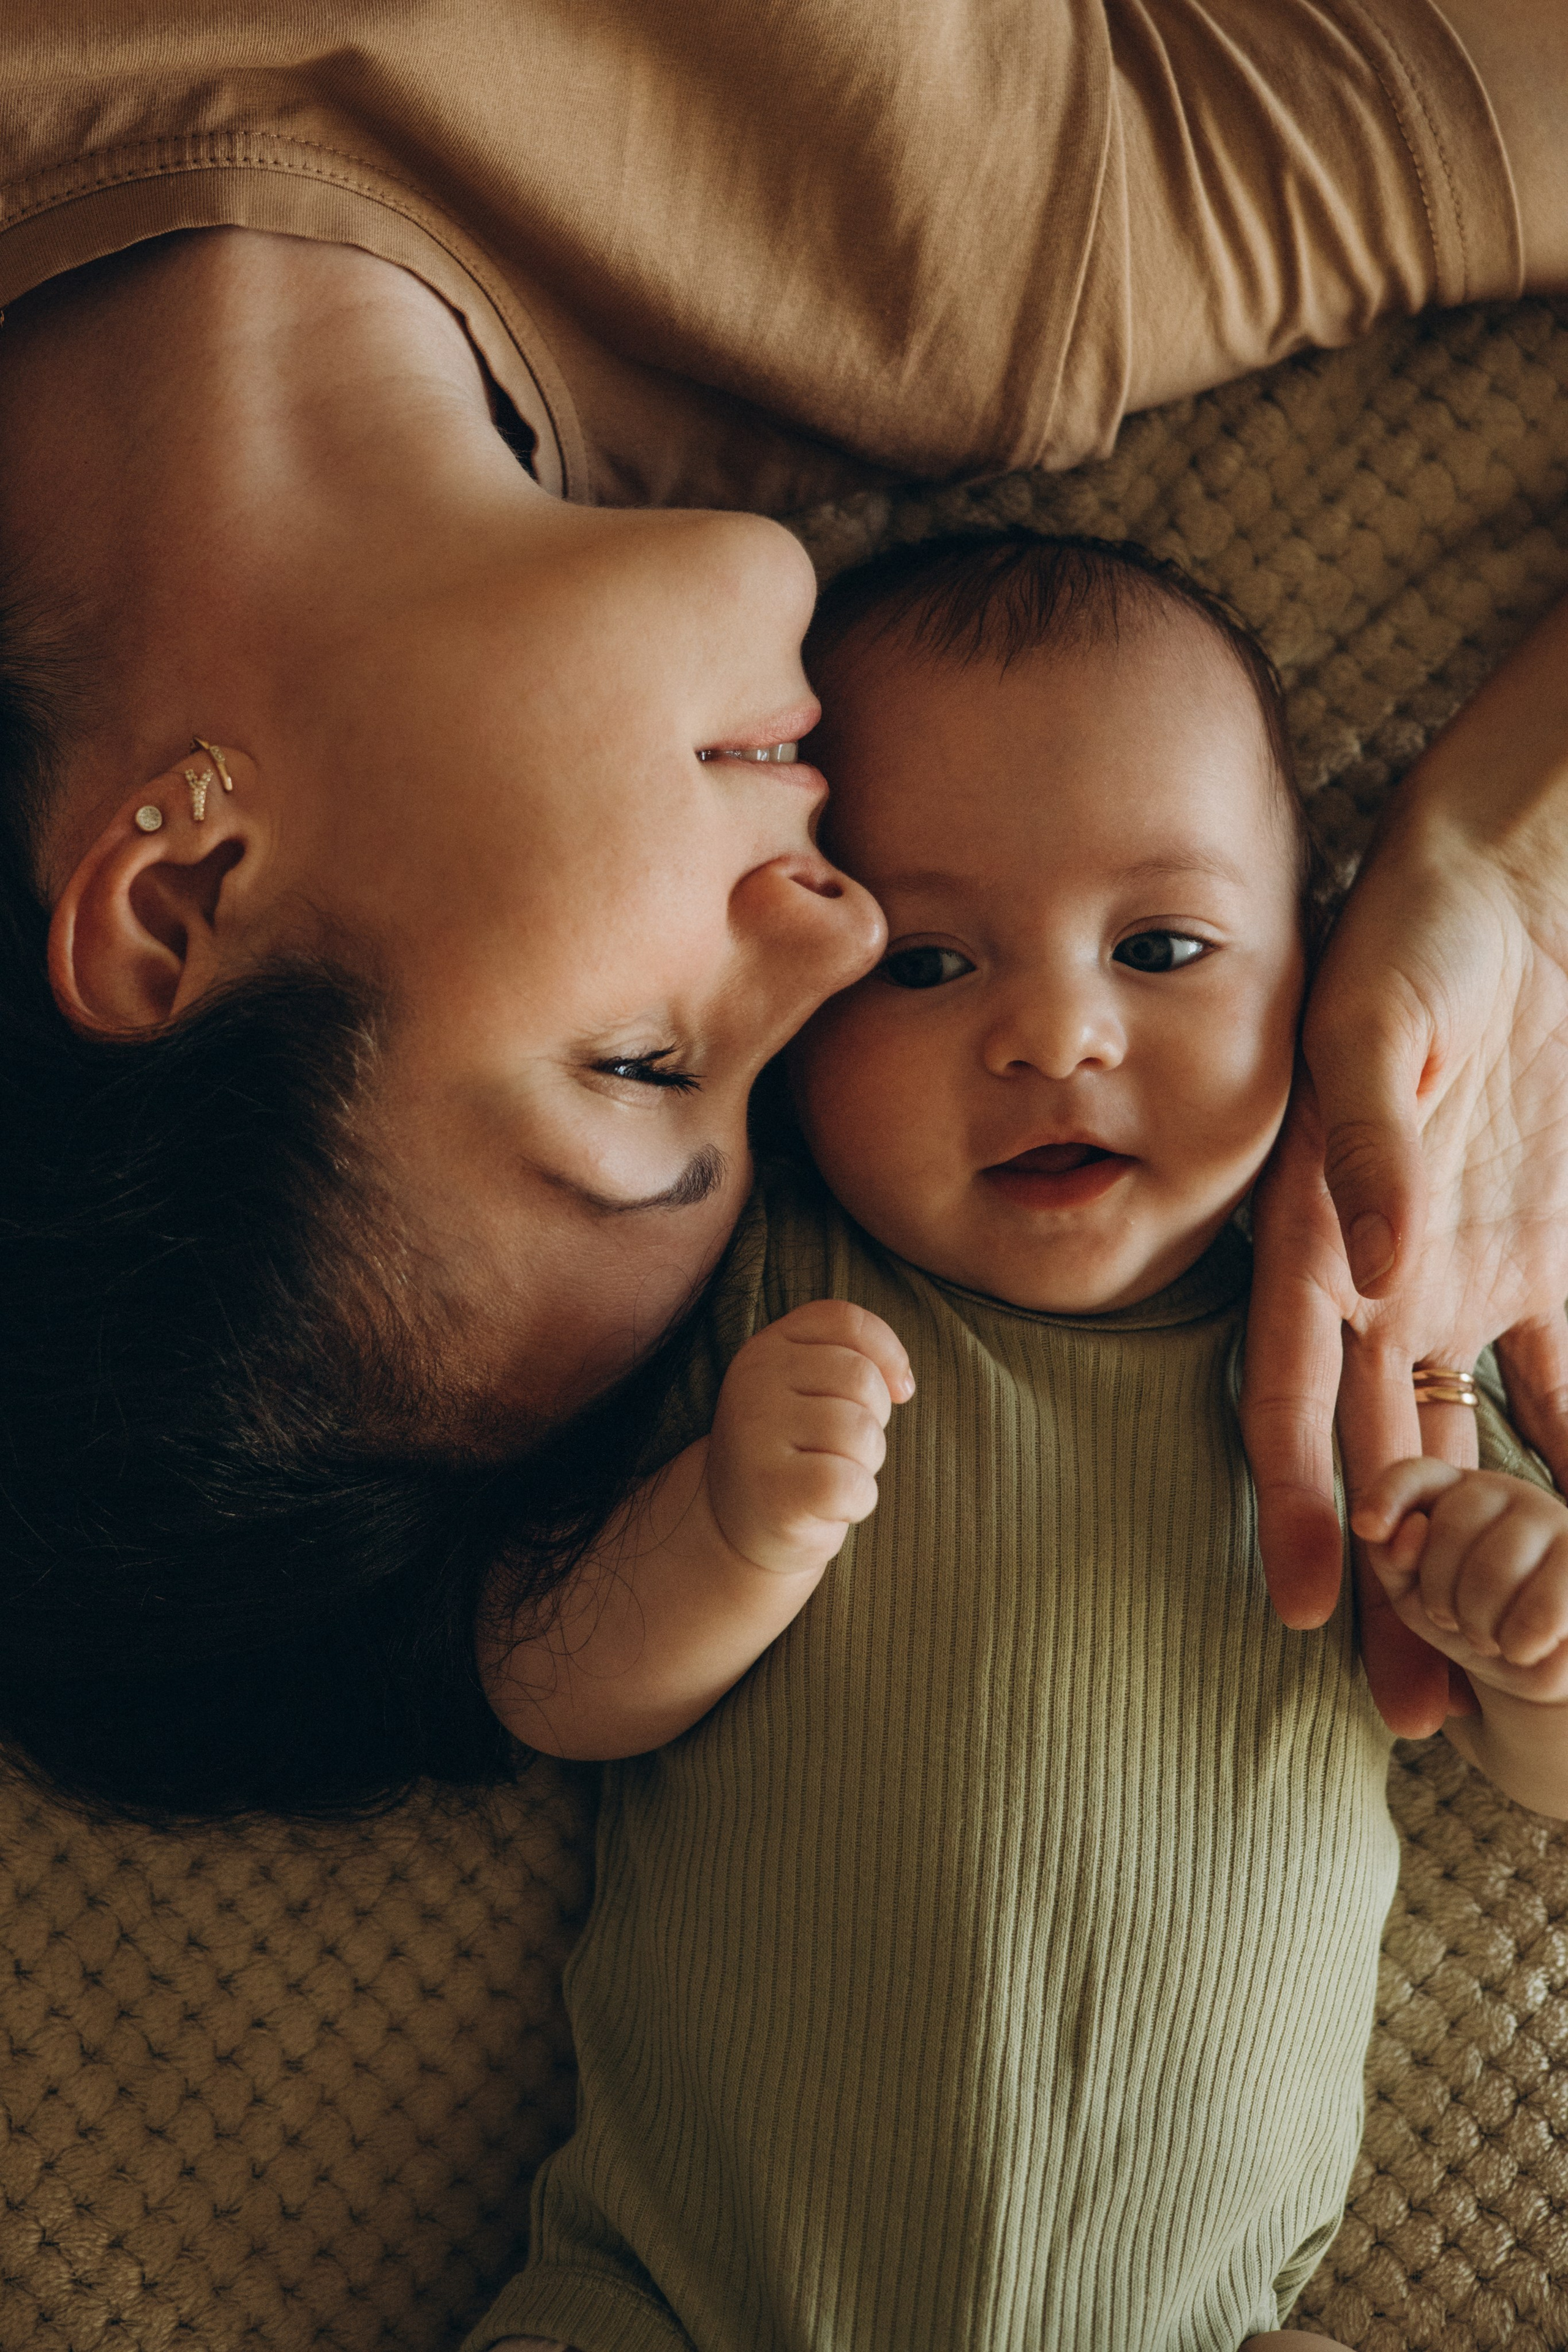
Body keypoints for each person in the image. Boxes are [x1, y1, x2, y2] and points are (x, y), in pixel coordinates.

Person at [1, 1, 1567, 1815]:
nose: (831, 931)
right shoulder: (957, 254)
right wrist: (1509, 866)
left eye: (645, 1061)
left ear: (180, 896)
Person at [473, 533, 1568, 2352]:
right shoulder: (762, 1294)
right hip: (684, 2304)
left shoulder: (1383, 1354)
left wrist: (1527, 1620)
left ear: (1316, 968)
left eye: (1161, 947)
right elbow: (542, 1677)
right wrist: (728, 1531)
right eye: (924, 964)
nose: (1056, 1032)